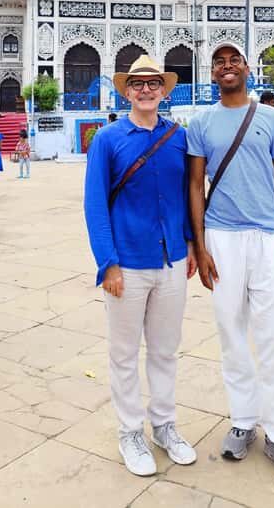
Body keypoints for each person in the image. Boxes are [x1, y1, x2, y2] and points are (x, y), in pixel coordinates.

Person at [187, 43, 274, 482]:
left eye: (234, 59)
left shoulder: (271, 119)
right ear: (212, 73)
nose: (227, 66)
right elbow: (195, 186)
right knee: (231, 334)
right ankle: (243, 420)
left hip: (268, 239)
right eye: (219, 62)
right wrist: (201, 247)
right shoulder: (201, 122)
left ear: (247, 68)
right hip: (222, 238)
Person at [84, 54, 198, 477]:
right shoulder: (108, 140)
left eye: (153, 84)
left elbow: (187, 194)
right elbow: (95, 204)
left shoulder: (178, 138)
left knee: (166, 350)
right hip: (127, 264)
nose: (146, 90)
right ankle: (130, 431)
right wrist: (108, 263)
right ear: (126, 92)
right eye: (137, 84)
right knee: (124, 353)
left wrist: (190, 242)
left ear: (164, 91)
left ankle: (164, 425)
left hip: (171, 261)